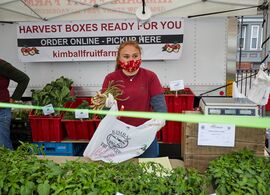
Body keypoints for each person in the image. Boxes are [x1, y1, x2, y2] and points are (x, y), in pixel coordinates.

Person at [101, 40, 167, 157]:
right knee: (121, 170)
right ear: (119, 59)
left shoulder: (150, 76)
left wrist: (160, 118)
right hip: (118, 136)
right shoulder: (111, 78)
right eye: (126, 56)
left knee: (148, 168)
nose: (131, 60)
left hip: (144, 133)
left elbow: (159, 104)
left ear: (140, 56)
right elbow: (103, 113)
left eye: (135, 56)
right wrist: (106, 107)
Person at [0, 59, 30, 149]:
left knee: (3, 144)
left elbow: (24, 79)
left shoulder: (2, 65)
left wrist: (14, 98)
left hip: (2, 111)